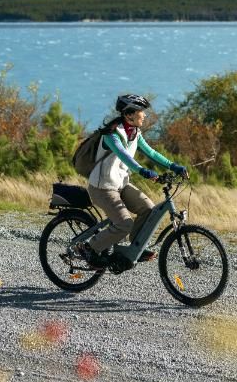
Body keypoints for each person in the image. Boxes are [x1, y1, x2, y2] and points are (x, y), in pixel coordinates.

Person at [76, 94, 187, 270]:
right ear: (129, 115)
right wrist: (143, 171)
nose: (144, 115)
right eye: (141, 112)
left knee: (149, 209)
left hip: (120, 184)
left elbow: (151, 153)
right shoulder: (111, 135)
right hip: (102, 187)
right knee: (124, 224)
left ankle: (135, 248)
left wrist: (174, 166)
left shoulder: (135, 132)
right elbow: (125, 157)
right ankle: (88, 248)